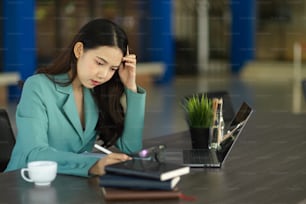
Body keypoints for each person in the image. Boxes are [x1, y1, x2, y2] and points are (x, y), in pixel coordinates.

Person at [5, 18, 146, 177]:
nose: (103, 75)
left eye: (112, 68)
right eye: (100, 63)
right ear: (79, 50)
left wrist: (130, 87)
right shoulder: (38, 87)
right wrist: (92, 165)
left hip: (70, 183)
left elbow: (130, 147)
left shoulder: (97, 92)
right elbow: (34, 153)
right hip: (24, 183)